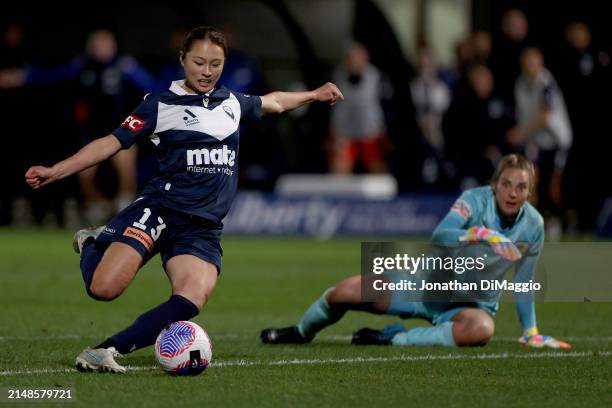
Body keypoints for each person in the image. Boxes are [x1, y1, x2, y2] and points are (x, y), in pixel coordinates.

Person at [25, 26, 343, 373]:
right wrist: (58, 170)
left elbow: (276, 101)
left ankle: (105, 350)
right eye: (199, 62)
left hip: (202, 227)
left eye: (216, 64)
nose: (207, 71)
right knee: (103, 288)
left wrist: (313, 94)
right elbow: (110, 143)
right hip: (161, 211)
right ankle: (90, 242)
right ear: (182, 60)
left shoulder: (233, 103)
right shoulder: (159, 105)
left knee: (193, 296)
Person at [261, 154, 571, 350]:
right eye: (506, 184)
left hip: (468, 305)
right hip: (424, 285)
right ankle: (301, 332)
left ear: (530, 192)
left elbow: (524, 281)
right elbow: (440, 234)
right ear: (494, 185)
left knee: (481, 330)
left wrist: (530, 331)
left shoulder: (534, 225)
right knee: (345, 291)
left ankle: (392, 338)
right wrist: (478, 234)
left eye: (521, 187)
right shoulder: (474, 200)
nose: (512, 193)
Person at [3, 29, 159, 225]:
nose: (102, 49)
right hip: (92, 132)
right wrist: (23, 77)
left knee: (127, 171)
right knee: (85, 176)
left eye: (106, 44)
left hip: (121, 130)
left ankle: (125, 207)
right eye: (97, 45)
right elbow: (54, 75)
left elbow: (152, 86)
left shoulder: (125, 66)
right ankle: (98, 206)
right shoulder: (84, 65)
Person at [508, 47, 572, 240]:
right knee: (529, 182)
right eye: (526, 61)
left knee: (553, 186)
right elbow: (523, 113)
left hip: (556, 140)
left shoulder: (547, 83)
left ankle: (559, 222)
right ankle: (531, 225)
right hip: (535, 140)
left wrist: (520, 133)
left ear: (540, 63)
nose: (530, 65)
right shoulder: (520, 84)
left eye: (533, 61)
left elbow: (545, 117)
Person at [329, 42, 388, 174]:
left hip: (370, 133)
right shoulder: (338, 76)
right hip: (344, 133)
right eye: (352, 58)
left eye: (358, 58)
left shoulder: (376, 78)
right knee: (339, 172)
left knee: (378, 174)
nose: (355, 62)